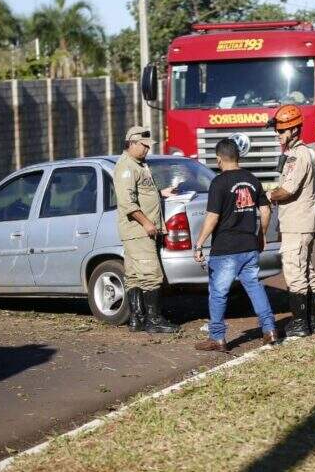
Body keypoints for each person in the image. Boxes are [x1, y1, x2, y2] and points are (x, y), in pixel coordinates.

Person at [193, 139, 277, 351]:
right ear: (238, 157)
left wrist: (199, 243)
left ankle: (218, 338)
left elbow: (212, 216)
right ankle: (270, 330)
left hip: (226, 249)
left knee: (218, 292)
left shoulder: (219, 182)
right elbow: (266, 211)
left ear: (219, 159)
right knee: (255, 287)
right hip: (249, 246)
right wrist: (261, 235)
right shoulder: (251, 179)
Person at [113, 126, 180, 333]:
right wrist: (147, 223)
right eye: (143, 146)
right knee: (152, 275)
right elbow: (128, 203)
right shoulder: (126, 167)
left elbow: (142, 193)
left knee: (134, 275)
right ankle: (154, 320)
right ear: (132, 143)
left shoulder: (139, 164)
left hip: (139, 232)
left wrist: (162, 193)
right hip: (139, 232)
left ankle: (137, 318)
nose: (146, 150)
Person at [265, 105, 315, 337]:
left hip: (297, 225)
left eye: (281, 131)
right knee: (306, 271)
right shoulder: (295, 154)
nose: (278, 135)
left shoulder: (299, 155)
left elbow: (287, 190)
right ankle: (312, 321)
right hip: (300, 223)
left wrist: (267, 195)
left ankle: (300, 324)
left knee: (295, 273)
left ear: (294, 130)